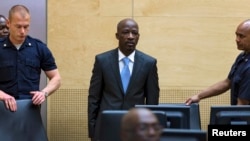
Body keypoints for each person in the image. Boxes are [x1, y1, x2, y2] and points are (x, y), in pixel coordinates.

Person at [88, 18, 160, 141]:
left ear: (138, 36)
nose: (130, 36)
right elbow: (94, 98)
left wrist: (150, 131)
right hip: (107, 124)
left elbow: (152, 100)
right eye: (126, 32)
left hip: (137, 128)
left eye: (134, 33)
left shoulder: (149, 63)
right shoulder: (102, 61)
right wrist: (93, 130)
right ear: (117, 35)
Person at [0, 5, 61, 112]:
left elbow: (56, 78)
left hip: (30, 110)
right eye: (18, 27)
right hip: (2, 108)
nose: (23, 31)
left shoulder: (39, 48)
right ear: (8, 23)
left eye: (26, 26)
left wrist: (44, 93)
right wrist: (3, 96)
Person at [185, 19, 250, 106]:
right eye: (236, 35)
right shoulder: (242, 57)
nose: (237, 40)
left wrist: (231, 119)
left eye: (241, 36)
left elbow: (242, 105)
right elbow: (227, 83)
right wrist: (199, 96)